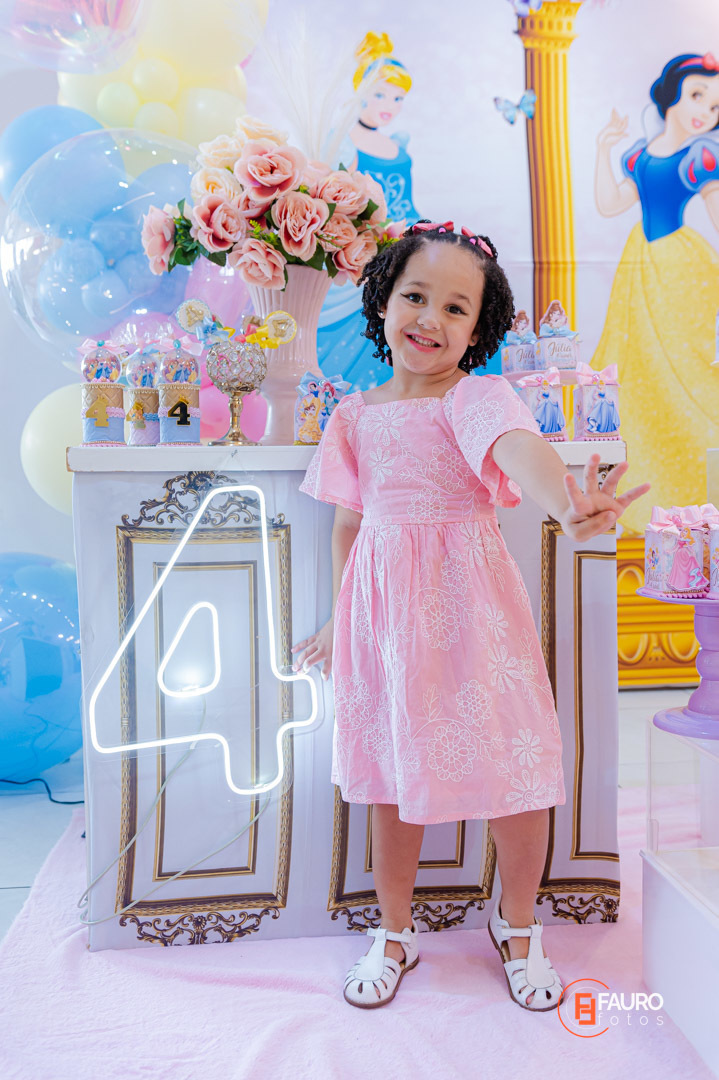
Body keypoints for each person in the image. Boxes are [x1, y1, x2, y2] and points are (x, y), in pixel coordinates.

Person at [292, 221, 649, 1011]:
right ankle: (395, 929)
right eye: (415, 296)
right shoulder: (353, 416)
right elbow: (348, 524)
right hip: (386, 623)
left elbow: (520, 449)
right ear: (383, 301)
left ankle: (517, 924)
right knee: (390, 773)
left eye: (455, 308)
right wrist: (337, 621)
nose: (430, 319)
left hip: (473, 613)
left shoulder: (477, 397)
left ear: (478, 329)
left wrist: (567, 505)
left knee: (515, 771)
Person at [593, 52, 719, 532]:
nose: (705, 111)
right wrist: (602, 149)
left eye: (714, 106)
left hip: (683, 274)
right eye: (697, 95)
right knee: (642, 371)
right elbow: (609, 205)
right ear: (671, 96)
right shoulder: (639, 156)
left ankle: (695, 489)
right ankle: (651, 486)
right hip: (641, 268)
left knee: (686, 369)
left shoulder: (700, 158)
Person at [317, 31, 420, 390]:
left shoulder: (397, 145)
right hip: (363, 248)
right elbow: (336, 199)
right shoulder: (342, 140)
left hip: (402, 241)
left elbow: (407, 202)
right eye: (379, 94)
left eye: (397, 97)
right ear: (360, 92)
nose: (389, 104)